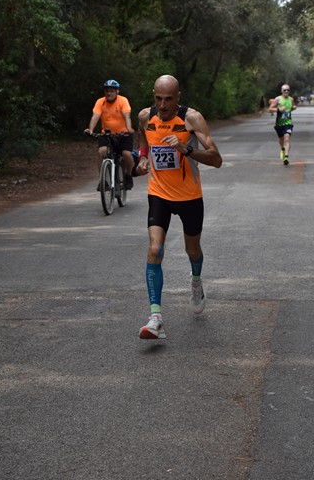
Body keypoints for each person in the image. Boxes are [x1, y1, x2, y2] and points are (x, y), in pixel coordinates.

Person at [135, 74, 223, 340]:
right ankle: (155, 318)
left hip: (189, 197)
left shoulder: (191, 119)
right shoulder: (144, 116)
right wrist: (142, 158)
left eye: (168, 100)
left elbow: (217, 159)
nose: (162, 105)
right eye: (158, 99)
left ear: (178, 98)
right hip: (159, 193)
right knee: (154, 249)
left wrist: (186, 150)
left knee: (192, 249)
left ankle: (196, 281)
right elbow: (143, 139)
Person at [84, 79, 134, 190]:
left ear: (117, 92)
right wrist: (91, 130)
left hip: (123, 134)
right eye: (107, 91)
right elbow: (95, 116)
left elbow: (127, 116)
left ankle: (128, 175)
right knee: (101, 152)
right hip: (107, 135)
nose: (109, 93)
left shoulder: (123, 101)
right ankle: (103, 181)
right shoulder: (100, 102)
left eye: (112, 91)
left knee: (126, 154)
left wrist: (129, 129)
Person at [269, 84, 297, 165]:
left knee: (287, 138)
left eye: (288, 90)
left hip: (288, 122)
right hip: (279, 123)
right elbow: (270, 109)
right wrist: (278, 109)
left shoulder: (291, 99)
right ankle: (282, 149)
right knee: (281, 140)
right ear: (281, 91)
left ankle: (286, 157)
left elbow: (290, 108)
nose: (286, 91)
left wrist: (293, 108)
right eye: (284, 90)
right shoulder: (278, 99)